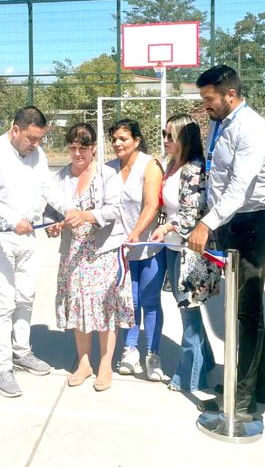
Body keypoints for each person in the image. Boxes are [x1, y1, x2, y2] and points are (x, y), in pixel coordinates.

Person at [0, 106, 80, 398]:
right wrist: (11, 220)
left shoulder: (38, 155)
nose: (35, 144)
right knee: (3, 301)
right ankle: (3, 367)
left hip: (28, 234)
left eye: (39, 139)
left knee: (26, 296)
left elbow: (47, 188)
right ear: (15, 129)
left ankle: (22, 351)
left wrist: (68, 207)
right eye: (31, 138)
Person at [187, 65, 265, 416]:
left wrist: (206, 224)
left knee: (246, 313)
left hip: (250, 224)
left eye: (209, 99)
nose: (205, 105)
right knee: (243, 309)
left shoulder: (252, 129)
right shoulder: (218, 122)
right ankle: (256, 382)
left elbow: (239, 189)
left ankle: (242, 398)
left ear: (231, 95)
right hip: (227, 223)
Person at [46, 123, 134, 392]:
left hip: (102, 251)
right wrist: (51, 223)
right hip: (73, 252)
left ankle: (105, 362)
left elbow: (115, 209)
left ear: (93, 148)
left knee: (104, 308)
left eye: (82, 147)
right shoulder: (60, 177)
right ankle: (83, 362)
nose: (77, 153)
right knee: (78, 305)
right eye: (72, 147)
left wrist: (85, 215)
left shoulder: (107, 174)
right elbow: (50, 209)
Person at [150, 114, 221, 392]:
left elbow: (191, 214)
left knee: (188, 312)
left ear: (185, 139)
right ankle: (208, 361)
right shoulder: (171, 165)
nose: (165, 140)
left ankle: (191, 378)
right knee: (188, 308)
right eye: (164, 134)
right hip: (171, 246)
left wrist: (167, 226)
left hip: (187, 251)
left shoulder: (194, 168)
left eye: (171, 136)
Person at [108, 119, 166, 382]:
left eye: (123, 138)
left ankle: (153, 355)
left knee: (150, 300)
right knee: (129, 302)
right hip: (120, 249)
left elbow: (152, 204)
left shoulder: (149, 165)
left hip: (148, 246)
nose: (118, 143)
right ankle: (130, 350)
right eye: (115, 139)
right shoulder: (108, 169)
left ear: (137, 140)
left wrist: (136, 233)